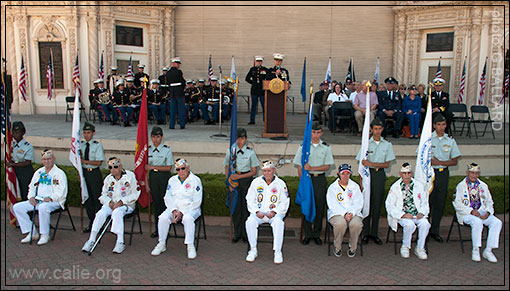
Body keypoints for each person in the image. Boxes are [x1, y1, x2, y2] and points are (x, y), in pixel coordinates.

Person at [81, 157, 140, 254]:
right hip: (111, 205)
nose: (113, 170)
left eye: (115, 167)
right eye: (110, 167)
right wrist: (109, 202)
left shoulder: (130, 176)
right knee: (100, 214)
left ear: (120, 167)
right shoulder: (108, 179)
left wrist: (122, 201)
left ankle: (120, 242)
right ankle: (91, 240)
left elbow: (136, 193)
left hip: (126, 205)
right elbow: (103, 195)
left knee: (117, 213)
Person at [13, 150, 67, 245]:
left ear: (53, 159)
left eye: (49, 159)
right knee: (17, 207)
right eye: (44, 159)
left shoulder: (59, 173)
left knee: (43, 207)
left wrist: (51, 198)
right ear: (42, 160)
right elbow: (32, 187)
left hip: (53, 202)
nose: (46, 161)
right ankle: (32, 233)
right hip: (38, 200)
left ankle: (44, 235)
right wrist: (31, 197)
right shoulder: (39, 172)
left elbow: (61, 191)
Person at [151, 159, 203, 259]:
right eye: (178, 169)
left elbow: (197, 201)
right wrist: (174, 210)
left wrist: (182, 212)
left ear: (188, 168)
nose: (181, 171)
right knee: (162, 218)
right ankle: (161, 244)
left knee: (188, 219)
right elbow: (168, 197)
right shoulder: (172, 180)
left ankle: (190, 245)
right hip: (174, 209)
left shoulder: (196, 180)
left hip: (191, 209)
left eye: (183, 168)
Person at [293, 122, 335, 245]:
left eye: (318, 132)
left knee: (319, 206)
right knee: (307, 205)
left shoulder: (326, 147)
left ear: (321, 133)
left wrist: (312, 168)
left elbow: (327, 166)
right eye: (313, 132)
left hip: (320, 180)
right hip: (307, 180)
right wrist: (302, 182)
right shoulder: (303, 147)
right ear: (309, 133)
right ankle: (308, 234)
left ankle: (316, 234)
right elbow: (300, 167)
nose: (315, 134)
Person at [356, 117, 396, 245]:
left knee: (377, 204)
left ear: (382, 129)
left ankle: (375, 233)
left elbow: (387, 164)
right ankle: (366, 233)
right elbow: (362, 165)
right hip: (368, 175)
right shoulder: (366, 144)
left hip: (379, 176)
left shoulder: (387, 145)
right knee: (366, 203)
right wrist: (361, 182)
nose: (377, 131)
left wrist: (371, 163)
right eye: (375, 129)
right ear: (371, 129)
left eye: (379, 129)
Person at [453, 163, 502, 263]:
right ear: (467, 173)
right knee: (477, 222)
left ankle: (488, 250)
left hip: (481, 211)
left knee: (497, 222)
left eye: (476, 173)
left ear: (478, 174)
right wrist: (471, 211)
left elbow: (489, 202)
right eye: (472, 173)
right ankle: (476, 249)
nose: (474, 175)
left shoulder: (483, 185)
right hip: (467, 214)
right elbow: (456, 203)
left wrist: (488, 212)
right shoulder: (461, 186)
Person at [245, 160, 290, 264]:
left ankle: (277, 252)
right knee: (250, 222)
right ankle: (253, 250)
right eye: (264, 171)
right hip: (258, 213)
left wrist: (274, 212)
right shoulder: (256, 182)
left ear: (274, 171)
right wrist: (256, 211)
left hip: (274, 214)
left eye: (269, 171)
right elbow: (249, 199)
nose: (267, 173)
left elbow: (285, 201)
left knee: (279, 223)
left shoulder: (280, 183)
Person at [385, 162, 430, 260]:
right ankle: (405, 246)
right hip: (403, 216)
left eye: (409, 173)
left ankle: (420, 248)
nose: (407, 175)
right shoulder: (395, 187)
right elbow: (390, 205)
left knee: (425, 224)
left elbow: (424, 202)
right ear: (400, 174)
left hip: (417, 215)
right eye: (404, 173)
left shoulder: (419, 185)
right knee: (409, 225)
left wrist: (422, 212)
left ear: (412, 173)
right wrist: (403, 215)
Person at [428, 114, 461, 243]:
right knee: (428, 203)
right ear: (434, 126)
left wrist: (440, 162)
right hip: (430, 174)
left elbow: (454, 161)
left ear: (446, 125)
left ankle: (434, 231)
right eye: (438, 125)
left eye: (443, 124)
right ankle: (424, 230)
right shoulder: (428, 139)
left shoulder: (450, 141)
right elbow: (421, 157)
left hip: (443, 173)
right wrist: (431, 163)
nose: (441, 127)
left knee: (439, 203)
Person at [223, 128, 259, 243]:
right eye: (238, 138)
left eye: (242, 138)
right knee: (236, 208)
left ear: (246, 139)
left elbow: (254, 171)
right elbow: (227, 166)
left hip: (246, 181)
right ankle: (237, 234)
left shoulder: (250, 152)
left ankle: (245, 234)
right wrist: (229, 181)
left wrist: (239, 177)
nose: (240, 141)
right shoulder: (231, 151)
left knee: (246, 209)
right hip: (234, 180)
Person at [326, 164, 364, 258]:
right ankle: (337, 247)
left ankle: (352, 247)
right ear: (339, 174)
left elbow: (359, 202)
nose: (345, 176)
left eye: (348, 173)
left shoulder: (355, 186)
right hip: (337, 214)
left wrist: (351, 213)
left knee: (356, 224)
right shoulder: (332, 188)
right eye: (343, 174)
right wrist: (344, 214)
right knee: (340, 224)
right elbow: (332, 204)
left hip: (353, 213)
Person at [146, 126, 173, 238]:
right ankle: (158, 229)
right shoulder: (147, 150)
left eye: (158, 136)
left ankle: (166, 229)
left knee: (165, 203)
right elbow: (145, 169)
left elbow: (168, 167)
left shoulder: (167, 150)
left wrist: (153, 167)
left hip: (164, 177)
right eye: (153, 136)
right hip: (153, 177)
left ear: (161, 137)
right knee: (156, 203)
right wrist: (147, 184)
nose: (155, 139)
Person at [80, 122, 105, 233]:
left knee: (97, 199)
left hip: (94, 174)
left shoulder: (97, 145)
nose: (86, 135)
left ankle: (99, 223)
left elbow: (99, 162)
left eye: (88, 133)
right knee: (88, 199)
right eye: (84, 133)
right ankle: (91, 222)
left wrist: (84, 161)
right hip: (85, 173)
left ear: (93, 133)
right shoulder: (80, 145)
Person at [6, 121, 34, 201]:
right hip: (15, 171)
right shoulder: (13, 145)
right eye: (13, 132)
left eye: (17, 132)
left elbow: (28, 162)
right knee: (16, 191)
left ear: (22, 133)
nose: (15, 135)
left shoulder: (28, 146)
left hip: (25, 172)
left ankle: (29, 211)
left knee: (25, 192)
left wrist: (13, 164)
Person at [245, 56, 268, 125]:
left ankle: (265, 120)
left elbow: (268, 77)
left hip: (262, 90)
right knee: (253, 106)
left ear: (262, 62)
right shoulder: (252, 69)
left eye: (260, 61)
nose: (259, 62)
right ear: (256, 62)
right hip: (254, 90)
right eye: (257, 61)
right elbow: (247, 78)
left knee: (264, 106)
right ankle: (252, 120)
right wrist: (253, 83)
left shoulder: (265, 69)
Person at [166, 57, 187, 129]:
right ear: (174, 63)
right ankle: (182, 124)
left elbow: (168, 83)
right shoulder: (179, 72)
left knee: (172, 110)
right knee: (181, 109)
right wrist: (183, 85)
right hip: (179, 92)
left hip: (172, 93)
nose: (178, 65)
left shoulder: (168, 73)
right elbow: (182, 81)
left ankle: (171, 125)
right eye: (178, 64)